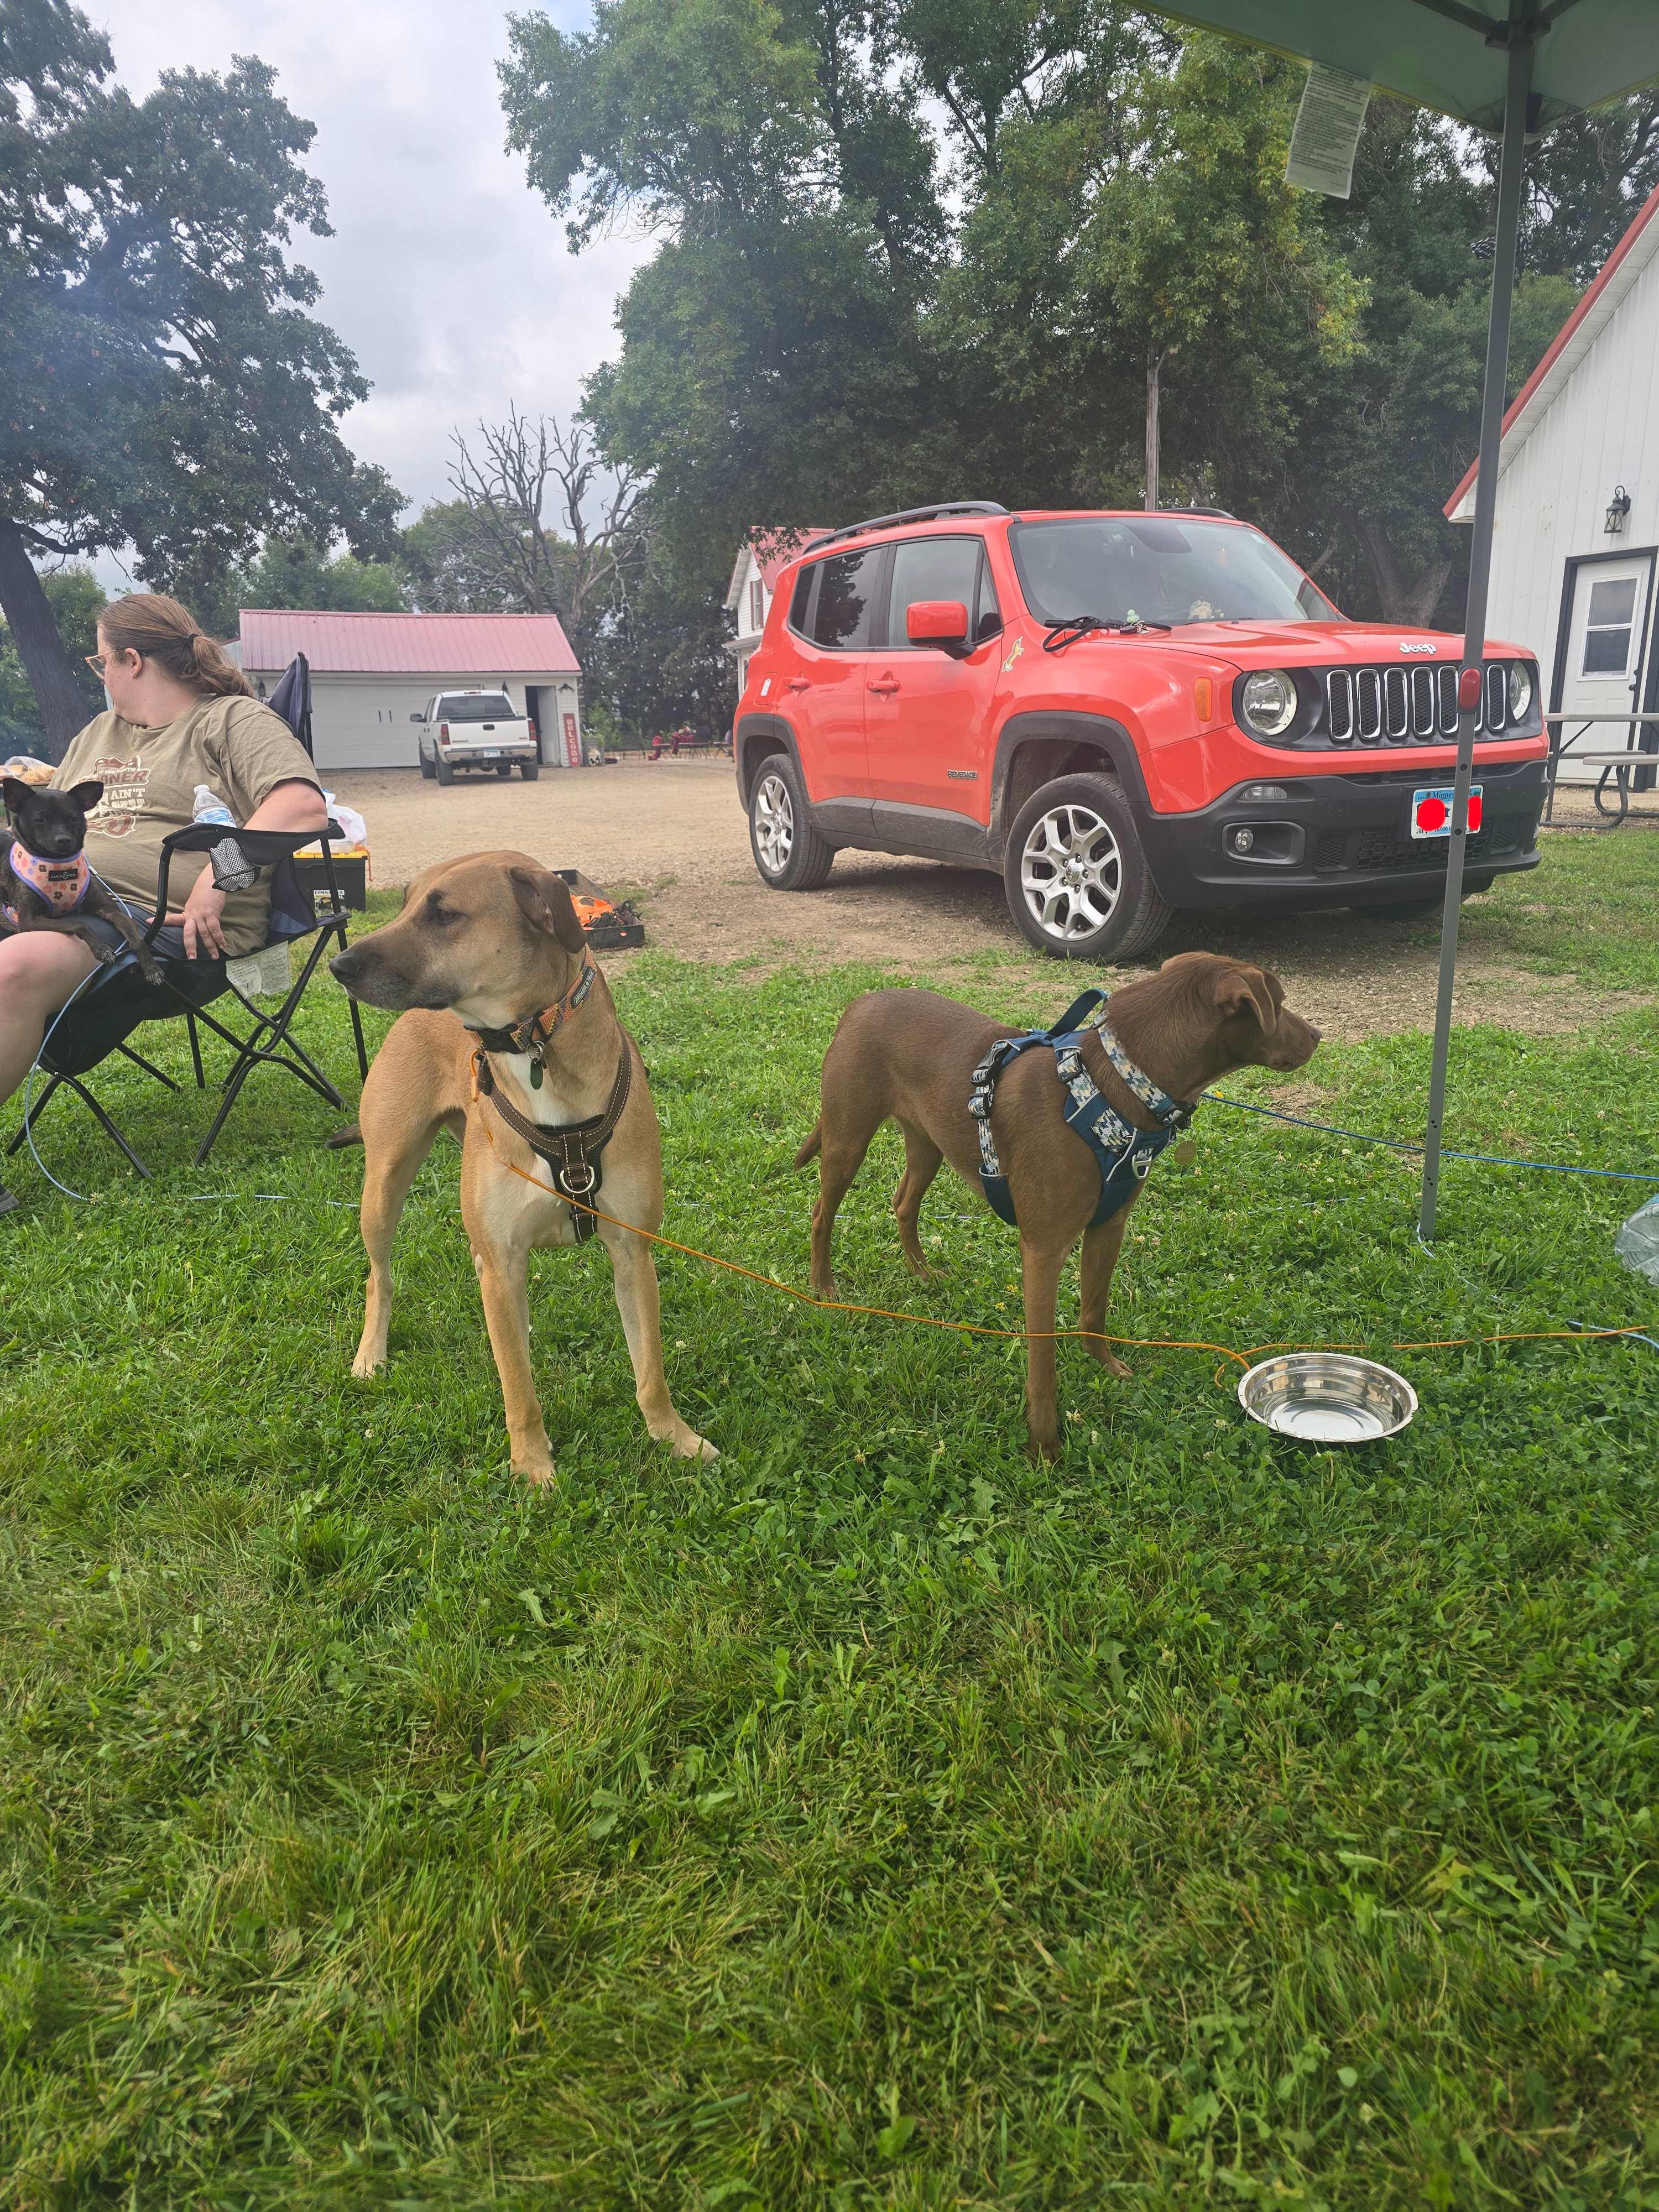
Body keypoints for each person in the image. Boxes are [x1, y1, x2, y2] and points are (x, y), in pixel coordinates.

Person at [1, 592, 327, 1215]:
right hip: (63, 899)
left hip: (165, 929)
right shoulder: (100, 732)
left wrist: (217, 873)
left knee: (12, 968)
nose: (100, 677)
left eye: (101, 664)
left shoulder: (232, 721)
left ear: (132, 661)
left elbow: (304, 808)